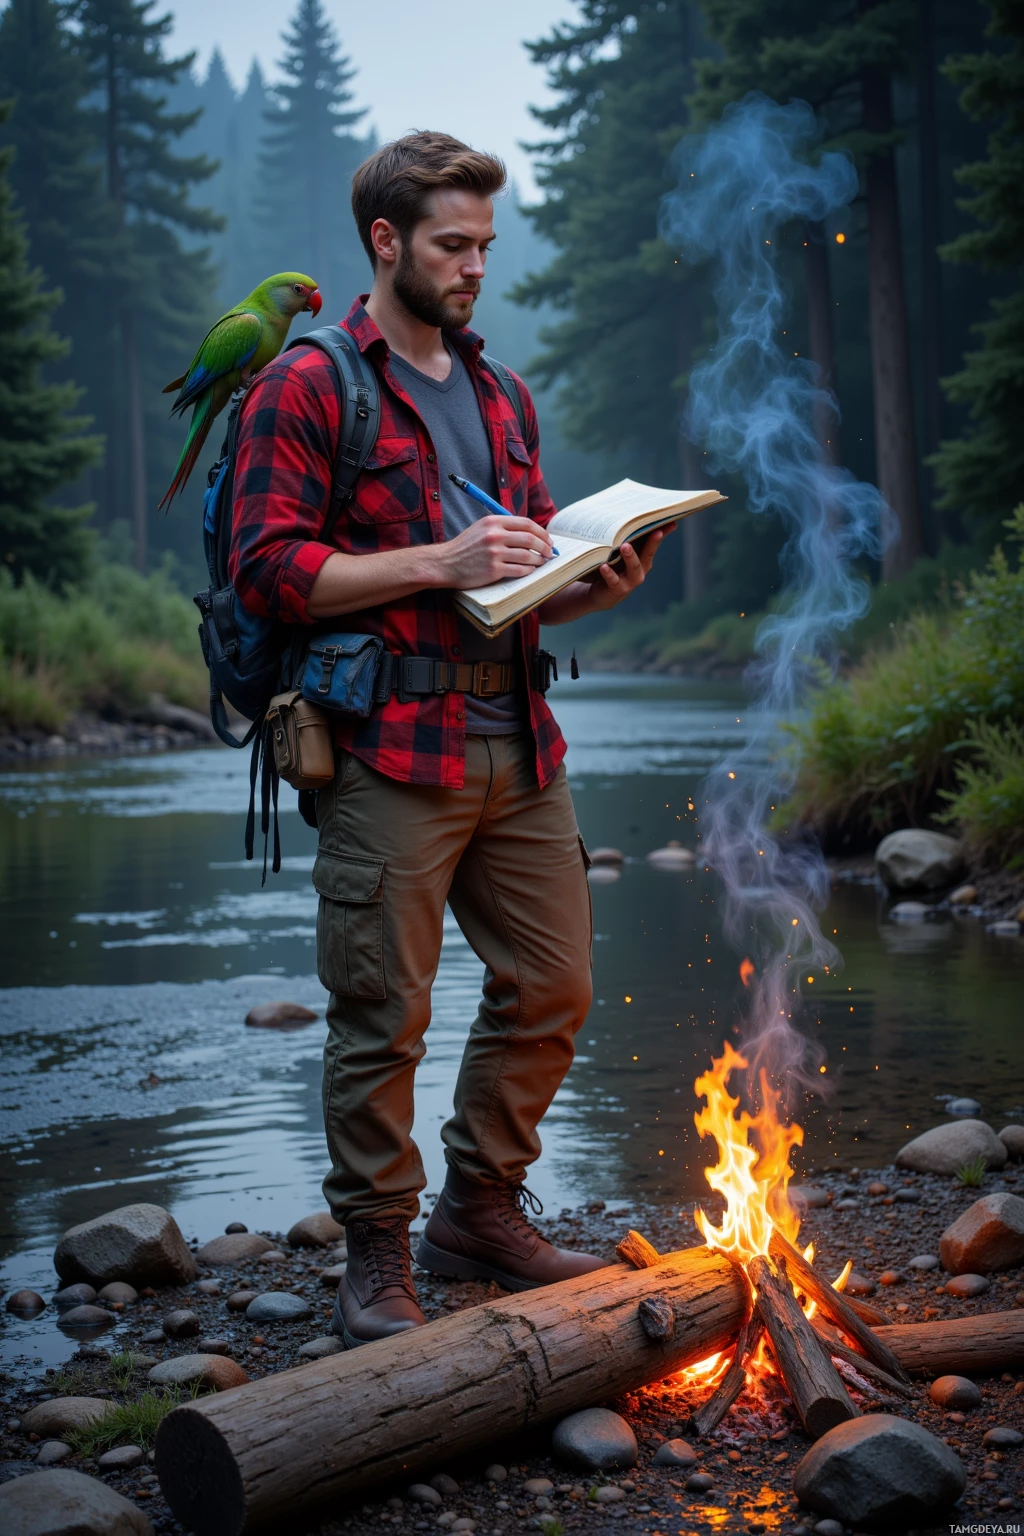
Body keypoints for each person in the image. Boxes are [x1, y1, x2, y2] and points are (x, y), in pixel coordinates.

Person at [230, 132, 676, 1348]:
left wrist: (594, 583)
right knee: (383, 1009)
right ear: (386, 243)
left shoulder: (498, 392)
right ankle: (375, 1250)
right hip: (387, 748)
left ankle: (478, 1211)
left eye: (485, 243)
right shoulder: (308, 383)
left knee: (554, 985)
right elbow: (266, 571)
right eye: (452, 245)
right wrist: (440, 560)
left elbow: (512, 572)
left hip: (518, 739)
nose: (476, 266)